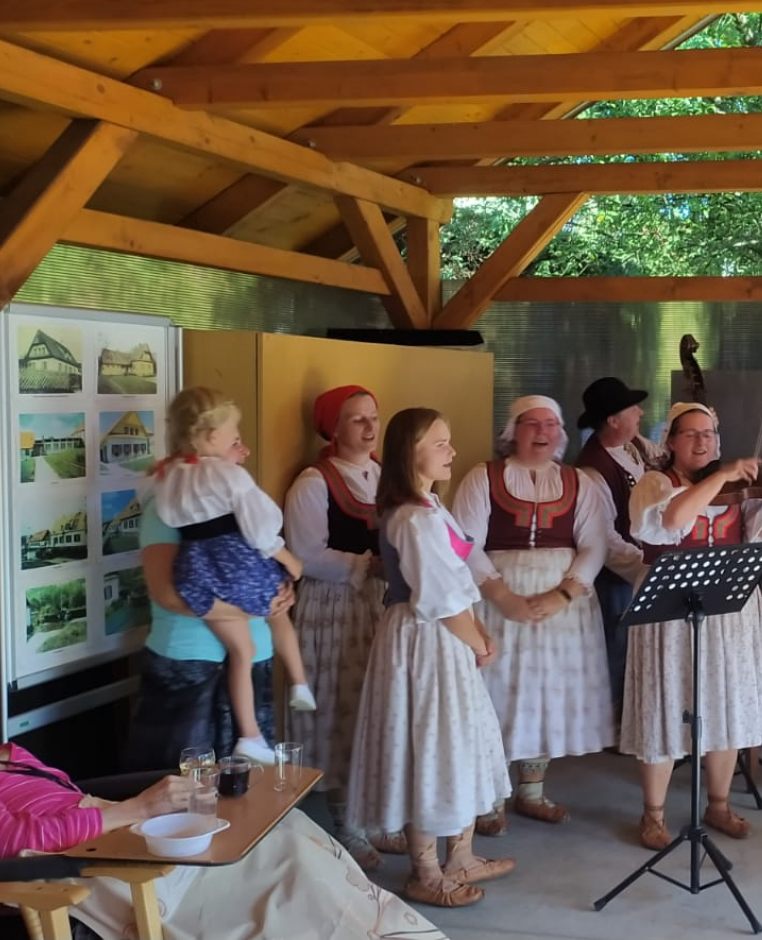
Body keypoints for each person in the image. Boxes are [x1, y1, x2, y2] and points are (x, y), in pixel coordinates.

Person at [0, 682, 447, 940]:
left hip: (116, 831)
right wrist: (137, 808)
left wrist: (154, 801)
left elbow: (77, 794)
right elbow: (9, 844)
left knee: (283, 831)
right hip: (80, 864)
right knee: (279, 868)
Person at [624, 402, 762, 849]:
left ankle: (719, 804)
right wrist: (722, 475)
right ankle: (653, 814)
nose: (702, 441)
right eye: (691, 434)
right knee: (665, 704)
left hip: (726, 609)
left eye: (709, 433)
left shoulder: (739, 493)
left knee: (723, 702)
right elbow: (673, 519)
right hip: (669, 611)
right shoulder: (654, 483)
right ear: (671, 441)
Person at [346, 408, 515, 908]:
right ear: (410, 452)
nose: (452, 451)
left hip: (446, 637)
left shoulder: (430, 507)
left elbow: (457, 583)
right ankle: (425, 871)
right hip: (424, 640)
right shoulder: (413, 518)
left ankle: (460, 856)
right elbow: (438, 597)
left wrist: (479, 631)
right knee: (430, 745)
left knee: (458, 742)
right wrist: (477, 640)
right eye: (440, 443)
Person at [451, 396, 640, 833]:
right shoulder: (483, 477)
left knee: (545, 693)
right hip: (497, 601)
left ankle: (532, 792)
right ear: (512, 432)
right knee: (496, 692)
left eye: (551, 424)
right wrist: (500, 594)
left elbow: (594, 544)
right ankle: (489, 798)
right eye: (532, 423)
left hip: (563, 609)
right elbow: (464, 543)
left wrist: (565, 594)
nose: (542, 432)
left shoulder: (579, 482)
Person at [155, 385, 313, 765]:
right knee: (275, 612)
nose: (241, 447)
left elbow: (177, 518)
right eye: (235, 438)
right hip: (230, 577)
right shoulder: (230, 478)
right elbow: (261, 529)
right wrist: (289, 562)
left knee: (245, 649)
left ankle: (253, 733)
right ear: (212, 437)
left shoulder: (167, 478)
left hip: (198, 573)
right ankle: (298, 683)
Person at [124, 434, 294, 773]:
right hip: (193, 668)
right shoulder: (166, 508)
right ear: (203, 447)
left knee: (250, 791)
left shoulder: (242, 506)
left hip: (253, 662)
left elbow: (260, 566)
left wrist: (283, 591)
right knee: (184, 790)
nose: (245, 451)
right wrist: (255, 606)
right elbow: (167, 594)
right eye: (234, 441)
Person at [283, 385, 394, 868]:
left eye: (373, 416)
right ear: (333, 427)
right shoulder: (314, 483)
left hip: (375, 603)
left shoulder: (384, 475)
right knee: (341, 707)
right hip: (333, 606)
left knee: (375, 705)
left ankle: (375, 816)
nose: (370, 427)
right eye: (357, 419)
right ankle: (348, 823)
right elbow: (306, 556)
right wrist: (368, 565)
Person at [574, 376, 661, 715]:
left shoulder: (632, 445)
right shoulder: (593, 470)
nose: (641, 412)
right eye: (632, 408)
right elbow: (605, 539)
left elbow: (664, 457)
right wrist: (646, 570)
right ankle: (614, 723)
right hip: (619, 579)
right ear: (612, 420)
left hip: (644, 570)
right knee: (618, 651)